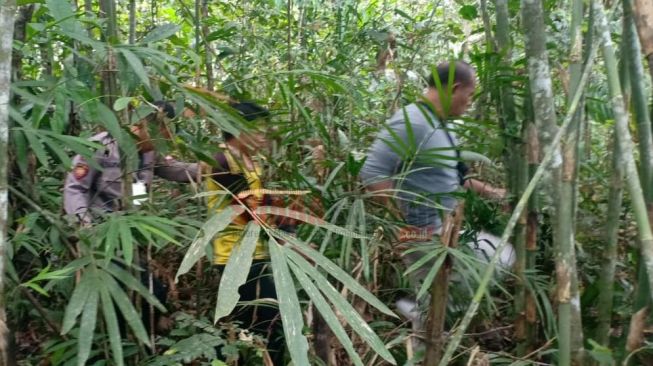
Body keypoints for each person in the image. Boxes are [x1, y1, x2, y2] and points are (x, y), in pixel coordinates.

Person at [359, 61, 514, 334]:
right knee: (494, 261)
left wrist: (494, 193)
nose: (470, 102)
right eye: (470, 95)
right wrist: (401, 225)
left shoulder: (444, 127)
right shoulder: (411, 121)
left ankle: (423, 316)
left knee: (501, 257)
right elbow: (372, 172)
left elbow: (458, 177)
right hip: (423, 233)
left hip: (448, 231)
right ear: (455, 89)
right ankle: (422, 321)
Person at [63, 101, 201, 334]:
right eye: (163, 134)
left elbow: (173, 169)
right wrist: (84, 227)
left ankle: (141, 337)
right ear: (140, 125)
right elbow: (75, 189)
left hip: (131, 234)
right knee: (146, 291)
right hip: (101, 235)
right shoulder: (100, 146)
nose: (167, 140)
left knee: (144, 290)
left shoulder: (149, 153)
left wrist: (210, 168)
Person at [206, 101, 285, 365]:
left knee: (260, 325)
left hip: (255, 255)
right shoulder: (222, 161)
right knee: (267, 323)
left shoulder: (250, 161)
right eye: (259, 130)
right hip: (235, 258)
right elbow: (248, 211)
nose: (264, 136)